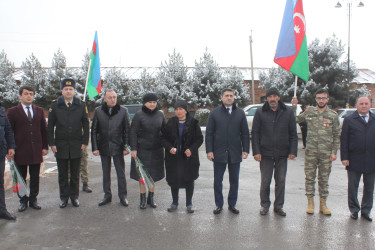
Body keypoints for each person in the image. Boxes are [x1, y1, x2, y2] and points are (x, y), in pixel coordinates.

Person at [292, 88, 340, 215]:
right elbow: (294, 120)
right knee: (309, 178)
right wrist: (294, 106)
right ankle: (310, 203)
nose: (321, 100)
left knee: (324, 179)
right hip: (311, 152)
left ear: (327, 99)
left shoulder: (332, 115)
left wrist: (334, 152)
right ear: (316, 99)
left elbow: (336, 135)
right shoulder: (309, 112)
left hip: (326, 154)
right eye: (319, 98)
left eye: (323, 98)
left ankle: (323, 205)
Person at [252, 87, 298, 217]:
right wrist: (256, 151)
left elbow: (293, 133)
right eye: (270, 96)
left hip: (282, 153)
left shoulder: (287, 111)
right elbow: (255, 133)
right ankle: (265, 205)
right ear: (267, 98)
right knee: (265, 181)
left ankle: (278, 206)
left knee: (281, 181)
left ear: (278, 97)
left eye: (275, 96)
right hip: (265, 153)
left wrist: (293, 150)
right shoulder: (260, 112)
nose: (272, 99)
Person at [206, 88, 250, 215]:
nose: (229, 97)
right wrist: (209, 150)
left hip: (235, 152)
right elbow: (209, 134)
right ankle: (219, 204)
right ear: (222, 97)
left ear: (234, 97)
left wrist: (246, 149)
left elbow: (245, 133)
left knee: (234, 180)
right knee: (218, 180)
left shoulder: (240, 113)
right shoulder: (214, 113)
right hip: (219, 152)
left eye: (231, 95)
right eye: (226, 95)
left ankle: (232, 204)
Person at [48, 78, 89, 208]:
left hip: (77, 145)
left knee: (75, 174)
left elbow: (86, 124)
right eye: (66, 89)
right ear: (62, 91)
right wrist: (52, 144)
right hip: (61, 146)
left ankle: (74, 197)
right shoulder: (55, 105)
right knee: (63, 174)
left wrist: (84, 142)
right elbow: (50, 127)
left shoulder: (81, 105)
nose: (68, 91)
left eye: (71, 89)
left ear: (74, 90)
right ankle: (64, 198)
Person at [6, 86, 48, 212]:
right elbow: (9, 131)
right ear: (20, 96)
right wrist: (10, 147)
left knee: (35, 177)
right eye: (26, 94)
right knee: (21, 177)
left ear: (34, 96)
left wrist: (45, 146)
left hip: (36, 150)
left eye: (31, 94)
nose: (29, 96)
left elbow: (43, 130)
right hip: (20, 150)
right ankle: (22, 200)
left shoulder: (39, 111)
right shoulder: (13, 111)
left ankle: (33, 199)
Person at [162, 100, 203, 213]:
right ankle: (175, 202)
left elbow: (199, 139)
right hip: (174, 157)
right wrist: (169, 147)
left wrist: (191, 149)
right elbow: (163, 138)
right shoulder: (170, 123)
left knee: (189, 179)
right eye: (176, 109)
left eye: (181, 109)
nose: (178, 111)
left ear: (186, 110)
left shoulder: (193, 123)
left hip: (188, 157)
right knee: (174, 179)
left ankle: (189, 203)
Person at [91, 89, 130, 207]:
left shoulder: (123, 111)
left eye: (114, 97)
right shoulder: (98, 111)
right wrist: (95, 147)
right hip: (103, 146)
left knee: (120, 173)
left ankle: (123, 196)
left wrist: (126, 146)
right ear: (105, 99)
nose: (112, 99)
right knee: (105, 172)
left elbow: (127, 131)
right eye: (110, 97)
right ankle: (107, 195)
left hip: (118, 146)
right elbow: (93, 131)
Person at [341, 96, 375, 222]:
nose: (364, 105)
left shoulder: (374, 119)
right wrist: (344, 157)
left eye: (366, 103)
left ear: (370, 105)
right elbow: (344, 140)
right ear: (357, 105)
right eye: (361, 103)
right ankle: (354, 210)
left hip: (372, 159)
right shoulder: (350, 120)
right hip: (354, 159)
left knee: (369, 188)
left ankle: (366, 211)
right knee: (353, 187)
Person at [130, 93, 165, 209]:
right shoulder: (138, 115)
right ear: (145, 103)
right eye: (150, 102)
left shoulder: (160, 115)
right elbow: (133, 133)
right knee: (142, 176)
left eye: (154, 102)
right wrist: (134, 148)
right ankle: (143, 198)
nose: (152, 104)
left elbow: (165, 132)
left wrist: (169, 146)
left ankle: (151, 198)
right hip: (142, 151)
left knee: (153, 176)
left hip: (157, 151)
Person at [0, 103, 16, 220]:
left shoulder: (1, 110)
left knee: (0, 184)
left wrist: (10, 146)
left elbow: (8, 129)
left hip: (0, 151)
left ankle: (2, 210)